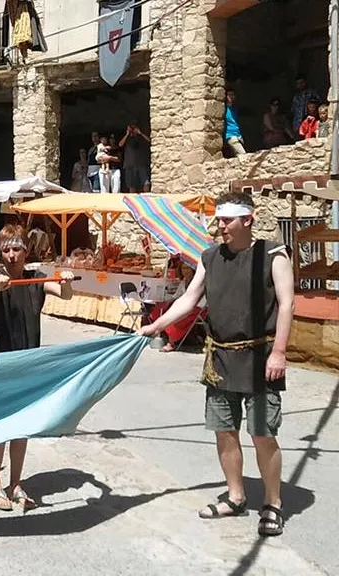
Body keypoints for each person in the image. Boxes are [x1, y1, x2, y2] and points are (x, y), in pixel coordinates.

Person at [140, 191, 293, 537]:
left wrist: (279, 352)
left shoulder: (273, 255)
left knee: (262, 433)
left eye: (227, 220)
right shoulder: (209, 258)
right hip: (220, 359)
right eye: (219, 219)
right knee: (224, 431)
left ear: (247, 220)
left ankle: (273, 503)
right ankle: (236, 496)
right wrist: (157, 325)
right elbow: (190, 299)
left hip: (259, 359)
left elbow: (287, 305)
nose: (219, 226)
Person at [0, 225, 75, 511]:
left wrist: (67, 279)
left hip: (28, 363)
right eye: (6, 249)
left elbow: (65, 294)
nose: (11, 255)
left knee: (22, 427)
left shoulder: (35, 279)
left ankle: (16, 483)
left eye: (16, 249)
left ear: (26, 251)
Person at [119, 122, 151, 193]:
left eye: (134, 128)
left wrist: (140, 133)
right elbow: (120, 144)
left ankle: (147, 197)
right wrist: (127, 134)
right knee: (131, 185)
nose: (132, 130)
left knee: (146, 182)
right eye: (131, 128)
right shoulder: (127, 138)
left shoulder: (141, 137)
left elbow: (150, 141)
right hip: (129, 165)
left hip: (141, 164)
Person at [225, 89, 246, 157]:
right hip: (230, 135)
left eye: (232, 95)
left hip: (238, 135)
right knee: (243, 154)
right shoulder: (224, 109)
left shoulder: (234, 109)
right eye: (229, 95)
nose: (231, 97)